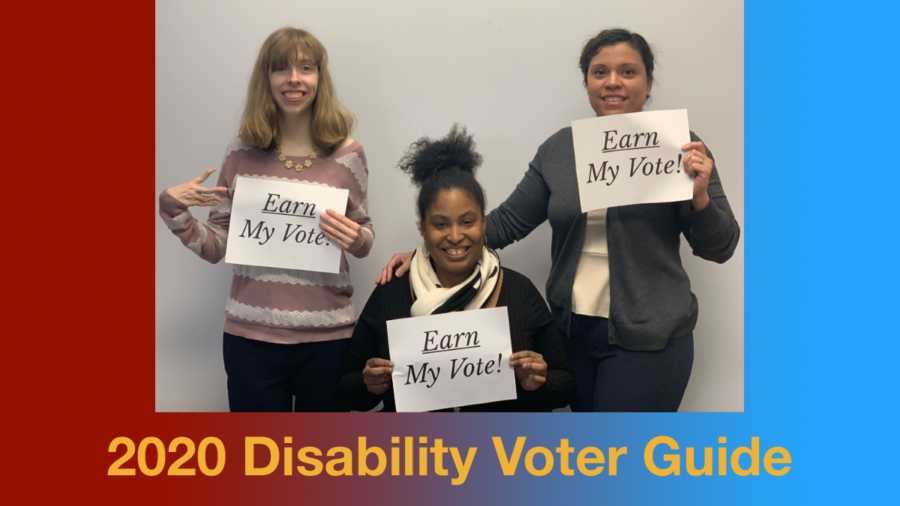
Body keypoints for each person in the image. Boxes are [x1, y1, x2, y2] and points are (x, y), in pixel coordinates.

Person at [377, 29, 740, 412]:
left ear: (649, 83)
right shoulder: (560, 151)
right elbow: (505, 223)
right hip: (573, 335)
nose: (612, 82)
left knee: (622, 462)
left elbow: (721, 246)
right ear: (587, 82)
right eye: (600, 71)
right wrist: (425, 253)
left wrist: (699, 196)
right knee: (587, 459)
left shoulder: (681, 146)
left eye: (628, 72)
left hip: (650, 339)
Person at [158, 27, 374, 412]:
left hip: (329, 340)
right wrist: (175, 212)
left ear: (319, 78)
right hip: (250, 341)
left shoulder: (349, 154)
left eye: (306, 68)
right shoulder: (241, 152)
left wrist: (358, 240)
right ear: (267, 79)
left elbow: (364, 235)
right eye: (281, 69)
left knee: (322, 465)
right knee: (258, 464)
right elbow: (218, 247)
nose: (294, 79)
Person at [338, 126, 573, 412]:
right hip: (420, 452)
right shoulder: (392, 292)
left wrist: (538, 380)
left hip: (502, 451)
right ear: (422, 229)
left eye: (467, 222)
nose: (455, 236)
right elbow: (345, 388)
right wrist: (368, 384)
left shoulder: (519, 291)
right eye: (440, 224)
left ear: (484, 224)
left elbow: (566, 384)